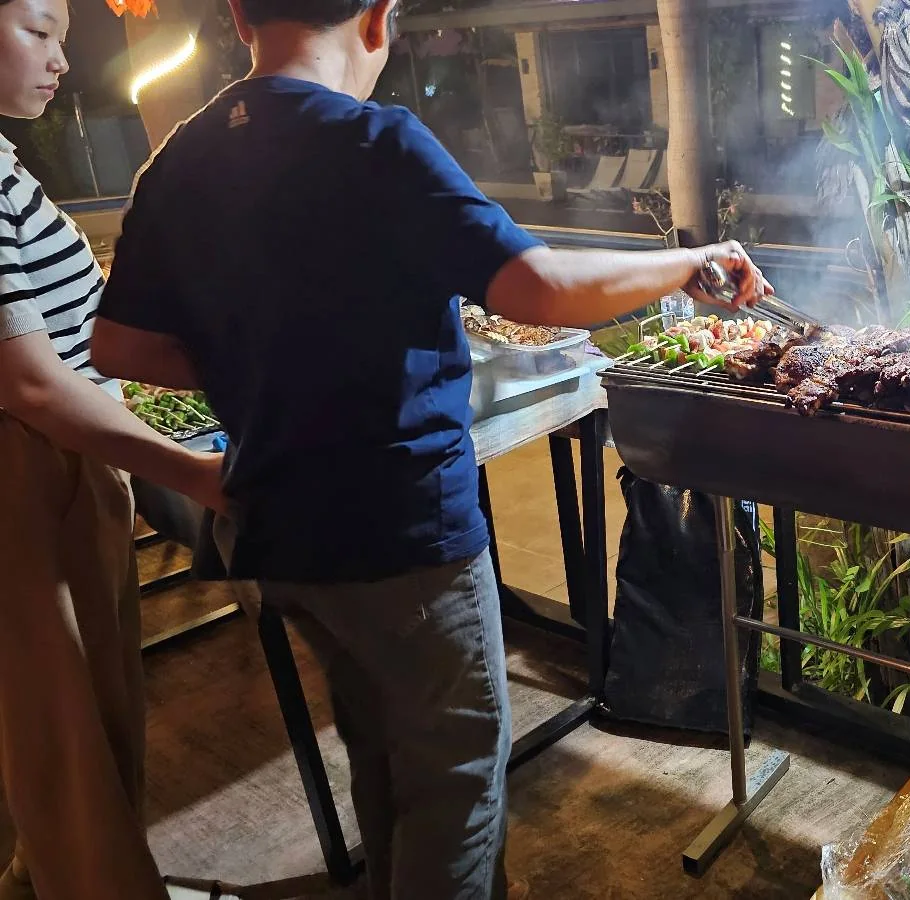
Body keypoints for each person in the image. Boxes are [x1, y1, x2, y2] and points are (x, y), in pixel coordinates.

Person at [89, 0, 771, 893]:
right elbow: (534, 285)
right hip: (401, 536)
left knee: (378, 757)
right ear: (376, 18)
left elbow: (121, 347)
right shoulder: (375, 141)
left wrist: (261, 370)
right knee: (452, 785)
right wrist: (690, 262)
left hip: (279, 533)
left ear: (238, 13)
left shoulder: (180, 155)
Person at [0, 0, 225, 896]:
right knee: (67, 739)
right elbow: (24, 381)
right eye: (38, 31)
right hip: (26, 482)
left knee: (80, 716)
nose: (61, 59)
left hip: (60, 472)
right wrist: (202, 475)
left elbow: (78, 334)